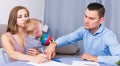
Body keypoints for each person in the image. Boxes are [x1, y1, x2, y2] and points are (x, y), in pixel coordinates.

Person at [45, 2, 120, 65]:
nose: (86, 21)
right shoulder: (84, 30)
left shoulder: (108, 36)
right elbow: (68, 38)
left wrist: (94, 58)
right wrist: (53, 44)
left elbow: (118, 59)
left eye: (91, 18)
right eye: (85, 16)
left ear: (101, 20)